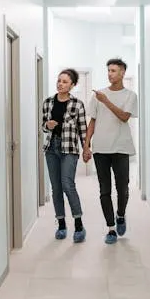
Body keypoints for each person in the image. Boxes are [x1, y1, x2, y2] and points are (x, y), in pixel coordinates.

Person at [83, 58, 139, 244]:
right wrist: (86, 145)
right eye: (108, 70)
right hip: (101, 150)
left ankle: (120, 215)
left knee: (122, 188)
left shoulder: (130, 96)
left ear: (122, 72)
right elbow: (93, 121)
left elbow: (124, 117)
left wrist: (106, 101)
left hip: (121, 148)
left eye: (113, 70)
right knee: (104, 190)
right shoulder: (98, 96)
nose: (110, 74)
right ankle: (111, 229)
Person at [42, 69, 89, 243]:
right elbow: (43, 127)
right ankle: (61, 224)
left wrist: (86, 149)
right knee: (56, 188)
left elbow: (83, 129)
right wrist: (48, 125)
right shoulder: (48, 103)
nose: (60, 84)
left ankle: (79, 225)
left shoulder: (77, 104)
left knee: (67, 185)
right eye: (59, 80)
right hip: (51, 148)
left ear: (72, 85)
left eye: (65, 82)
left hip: (69, 149)